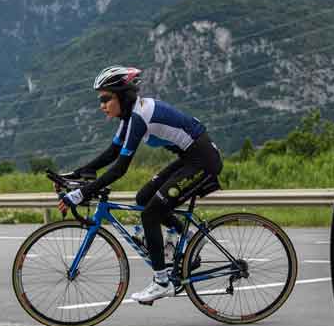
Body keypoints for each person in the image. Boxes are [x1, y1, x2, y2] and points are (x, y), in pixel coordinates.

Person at [57, 65, 223, 304]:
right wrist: (74, 175)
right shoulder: (129, 117)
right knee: (144, 198)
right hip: (190, 158)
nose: (101, 105)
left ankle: (161, 281)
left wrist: (80, 194)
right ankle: (191, 237)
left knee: (150, 215)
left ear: (121, 96)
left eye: (105, 98)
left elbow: (120, 169)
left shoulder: (138, 117)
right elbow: (111, 154)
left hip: (203, 161)